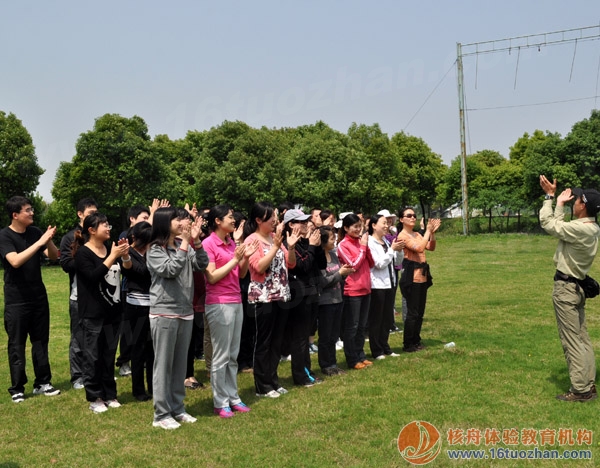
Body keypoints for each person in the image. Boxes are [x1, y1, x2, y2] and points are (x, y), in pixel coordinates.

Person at [146, 207, 208, 429]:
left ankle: (177, 408)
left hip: (185, 311)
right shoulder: (155, 249)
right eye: (177, 219)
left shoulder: (183, 245)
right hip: (164, 311)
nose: (183, 222)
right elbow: (170, 270)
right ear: (165, 223)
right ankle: (161, 414)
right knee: (163, 365)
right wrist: (185, 243)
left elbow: (201, 264)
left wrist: (197, 242)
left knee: (180, 365)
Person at [539, 175, 600, 402]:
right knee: (582, 338)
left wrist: (551, 198)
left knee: (571, 341)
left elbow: (549, 225)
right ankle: (588, 384)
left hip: (566, 289)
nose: (574, 201)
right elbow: (559, 228)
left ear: (583, 206)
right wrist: (560, 205)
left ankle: (580, 390)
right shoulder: (592, 228)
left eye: (577, 200)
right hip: (577, 287)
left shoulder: (580, 229)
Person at [0, 196, 60, 403]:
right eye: (28, 210)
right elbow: (15, 261)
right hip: (16, 300)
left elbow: (54, 256)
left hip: (38, 298)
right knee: (16, 344)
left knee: (40, 342)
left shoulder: (35, 232)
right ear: (15, 215)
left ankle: (43, 383)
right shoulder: (4, 236)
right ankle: (17, 388)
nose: (32, 212)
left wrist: (48, 239)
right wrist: (40, 242)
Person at [203, 205, 259, 417]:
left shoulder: (231, 243)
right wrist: (236, 259)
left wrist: (245, 258)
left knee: (233, 354)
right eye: (229, 217)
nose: (233, 220)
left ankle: (233, 397)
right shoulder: (208, 244)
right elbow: (212, 277)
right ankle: (220, 402)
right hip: (219, 302)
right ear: (217, 221)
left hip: (235, 300)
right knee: (221, 355)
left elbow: (241, 274)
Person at [73, 212, 129, 413]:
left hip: (113, 312)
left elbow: (125, 271)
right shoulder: (83, 253)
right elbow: (92, 276)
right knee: (93, 357)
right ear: (91, 230)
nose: (108, 227)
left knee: (108, 355)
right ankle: (95, 396)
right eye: (104, 224)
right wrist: (113, 256)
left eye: (108, 224)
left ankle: (110, 394)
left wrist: (124, 256)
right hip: (93, 314)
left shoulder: (110, 248)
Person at [243, 202, 297, 398]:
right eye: (271, 217)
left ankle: (273, 380)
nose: (275, 220)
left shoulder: (276, 237)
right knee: (263, 342)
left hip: (281, 295)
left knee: (277, 341)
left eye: (275, 216)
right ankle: (262, 386)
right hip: (263, 297)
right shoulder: (251, 240)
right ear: (258, 220)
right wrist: (274, 247)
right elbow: (259, 267)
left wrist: (290, 247)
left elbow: (291, 263)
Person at [282, 209, 324, 387]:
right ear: (291, 224)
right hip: (299, 295)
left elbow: (321, 264)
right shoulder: (288, 244)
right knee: (299, 337)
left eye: (307, 221)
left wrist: (317, 246)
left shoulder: (306, 242)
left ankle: (307, 372)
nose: (306, 224)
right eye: (301, 222)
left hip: (312, 291)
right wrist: (312, 247)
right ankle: (301, 376)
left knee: (306, 335)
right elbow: (302, 266)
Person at [59, 197, 98, 390]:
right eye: (90, 213)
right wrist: (86, 258)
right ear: (80, 214)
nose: (94, 216)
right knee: (78, 337)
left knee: (97, 337)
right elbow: (66, 264)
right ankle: (78, 376)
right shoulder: (70, 237)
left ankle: (95, 373)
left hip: (99, 295)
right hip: (78, 296)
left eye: (96, 213)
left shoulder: (99, 235)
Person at [397, 208, 440, 353]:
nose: (413, 218)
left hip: (422, 277)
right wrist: (427, 231)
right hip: (412, 278)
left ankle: (416, 340)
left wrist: (432, 233)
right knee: (412, 312)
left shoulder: (416, 234)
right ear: (401, 219)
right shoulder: (402, 236)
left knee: (420, 312)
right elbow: (420, 248)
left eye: (414, 215)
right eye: (409, 215)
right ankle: (408, 343)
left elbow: (431, 247)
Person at [120, 221, 154, 401]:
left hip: (154, 304)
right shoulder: (127, 252)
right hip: (136, 306)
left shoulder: (150, 251)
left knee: (152, 349)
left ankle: (154, 387)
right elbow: (137, 270)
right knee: (138, 349)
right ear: (135, 237)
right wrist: (127, 257)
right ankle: (139, 390)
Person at [336, 213, 374, 370]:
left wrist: (365, 247)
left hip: (366, 288)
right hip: (352, 291)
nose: (359, 230)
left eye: (360, 226)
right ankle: (352, 359)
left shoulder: (360, 242)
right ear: (346, 228)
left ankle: (361, 355)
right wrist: (363, 248)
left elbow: (371, 263)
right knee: (352, 326)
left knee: (362, 326)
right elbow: (353, 266)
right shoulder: (343, 245)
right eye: (355, 227)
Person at [318, 226, 353, 375]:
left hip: (338, 299)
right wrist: (340, 273)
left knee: (334, 335)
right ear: (323, 241)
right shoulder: (319, 258)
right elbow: (323, 282)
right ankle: (326, 365)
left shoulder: (333, 255)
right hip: (325, 302)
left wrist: (345, 272)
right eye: (332, 238)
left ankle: (332, 363)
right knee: (325, 336)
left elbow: (338, 276)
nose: (335, 240)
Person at [367, 214, 404, 360]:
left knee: (387, 318)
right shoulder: (370, 243)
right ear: (373, 225)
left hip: (390, 283)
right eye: (383, 223)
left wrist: (399, 250)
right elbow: (379, 263)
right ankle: (376, 350)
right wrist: (392, 250)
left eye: (387, 223)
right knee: (377, 318)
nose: (386, 226)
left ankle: (385, 347)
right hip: (377, 285)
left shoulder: (386, 242)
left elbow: (396, 262)